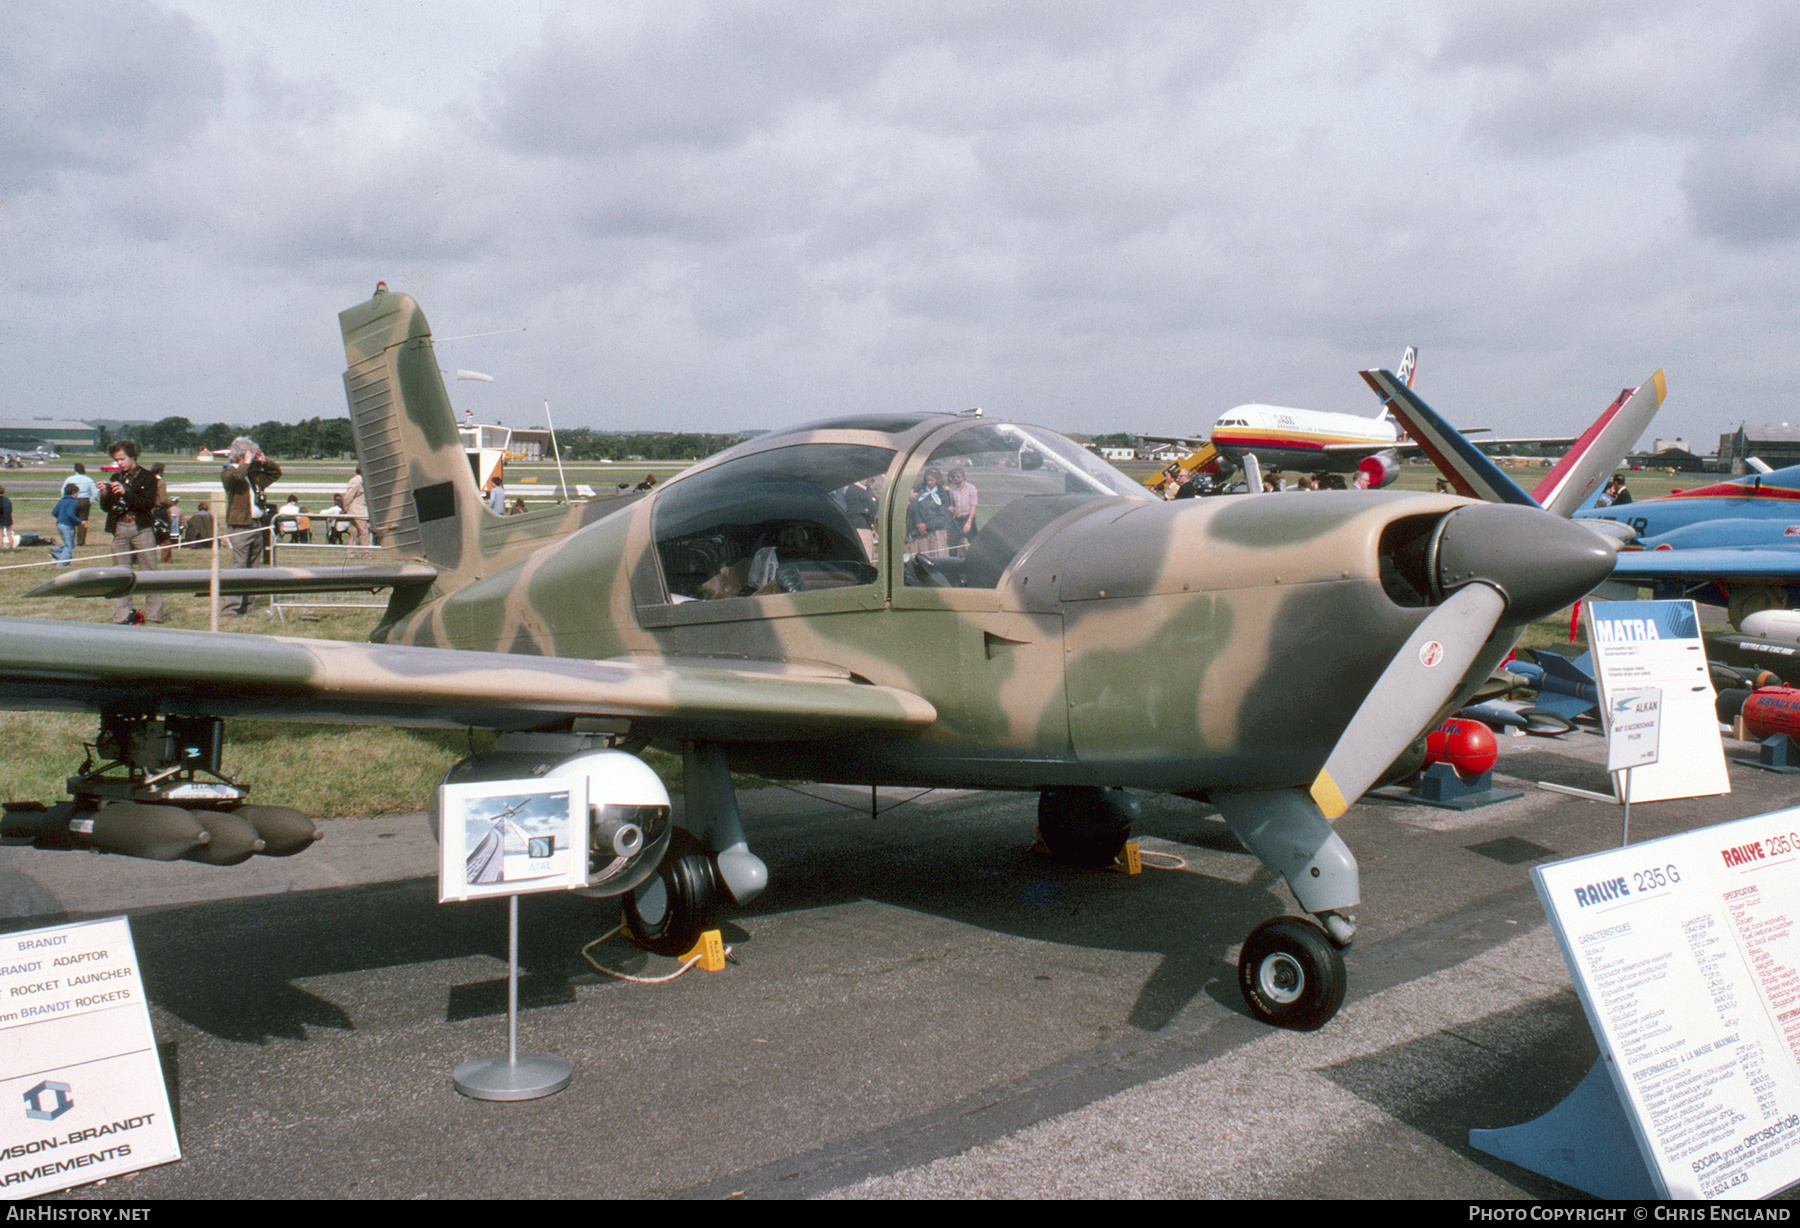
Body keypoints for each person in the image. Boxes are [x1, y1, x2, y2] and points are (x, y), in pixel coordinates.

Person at [98, 440, 163, 624]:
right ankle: (123, 615)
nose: (119, 463)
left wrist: (126, 492)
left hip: (141, 528)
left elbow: (147, 504)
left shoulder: (148, 478)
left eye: (122, 459)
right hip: (119, 527)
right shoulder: (116, 479)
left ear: (132, 456)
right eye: (116, 460)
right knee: (120, 573)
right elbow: (108, 508)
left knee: (150, 571)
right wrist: (105, 494)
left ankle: (154, 615)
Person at [221, 436, 281, 616]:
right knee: (238, 567)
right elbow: (237, 478)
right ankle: (230, 608)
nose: (254, 459)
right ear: (240, 456)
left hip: (257, 525)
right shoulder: (229, 473)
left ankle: (248, 605)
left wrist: (265, 462)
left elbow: (275, 474)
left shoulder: (253, 476)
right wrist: (246, 463)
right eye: (250, 454)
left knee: (253, 567)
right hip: (240, 525)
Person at [62, 462, 98, 545]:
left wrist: (65, 500)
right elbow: (95, 493)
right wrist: (90, 501)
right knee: (83, 522)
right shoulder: (89, 479)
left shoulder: (70, 479)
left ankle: (70, 541)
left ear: (75, 470)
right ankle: (81, 542)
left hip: (72, 500)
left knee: (71, 521)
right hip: (84, 500)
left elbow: (63, 490)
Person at [946, 468, 979, 549]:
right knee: (952, 544)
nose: (956, 478)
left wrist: (969, 522)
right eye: (954, 477)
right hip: (957, 519)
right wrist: (951, 508)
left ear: (963, 477)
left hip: (967, 518)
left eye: (958, 476)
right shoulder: (952, 489)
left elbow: (973, 506)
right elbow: (952, 504)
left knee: (975, 543)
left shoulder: (971, 488)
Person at [52, 482, 82, 566]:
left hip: (59, 524)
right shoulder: (72, 501)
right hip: (67, 526)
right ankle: (61, 564)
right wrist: (80, 521)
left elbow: (54, 512)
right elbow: (71, 514)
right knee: (69, 546)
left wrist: (61, 517)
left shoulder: (62, 500)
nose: (77, 495)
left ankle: (56, 551)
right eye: (77, 493)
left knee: (71, 544)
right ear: (73, 493)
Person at [343, 466, 370, 546]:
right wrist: (347, 509)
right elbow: (348, 497)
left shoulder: (363, 481)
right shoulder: (356, 481)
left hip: (360, 510)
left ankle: (350, 554)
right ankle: (365, 553)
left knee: (354, 532)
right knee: (364, 532)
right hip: (357, 510)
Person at [0, 484, 12, 553]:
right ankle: (11, 548)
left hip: (1, 519)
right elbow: (10, 509)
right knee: (9, 533)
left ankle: (1, 549)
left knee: (0, 534)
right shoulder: (7, 499)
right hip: (8, 518)